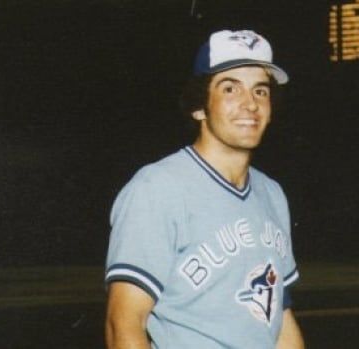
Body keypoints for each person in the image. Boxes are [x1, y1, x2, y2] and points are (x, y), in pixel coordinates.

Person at [104, 29, 304, 349]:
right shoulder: (157, 189)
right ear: (199, 107)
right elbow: (123, 325)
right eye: (230, 89)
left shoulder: (272, 194)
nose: (249, 104)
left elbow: (280, 322)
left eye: (260, 91)